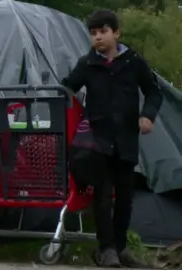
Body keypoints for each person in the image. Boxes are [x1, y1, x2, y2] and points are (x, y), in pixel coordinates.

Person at [61, 9, 162, 268]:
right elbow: (68, 86)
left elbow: (153, 92)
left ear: (116, 33)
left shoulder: (134, 62)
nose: (98, 38)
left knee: (125, 197)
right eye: (93, 33)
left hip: (126, 140)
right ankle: (106, 250)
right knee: (103, 195)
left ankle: (120, 247)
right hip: (98, 140)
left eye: (103, 32)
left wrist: (147, 116)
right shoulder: (87, 64)